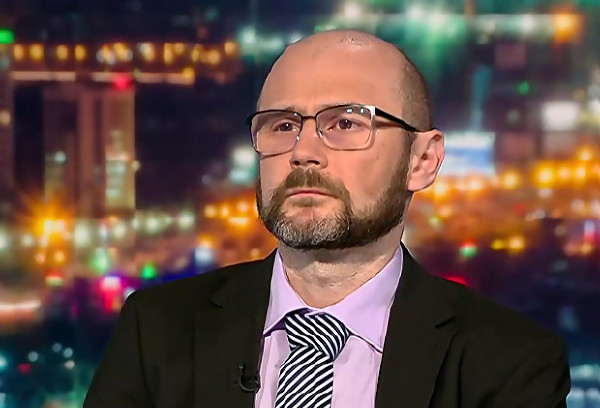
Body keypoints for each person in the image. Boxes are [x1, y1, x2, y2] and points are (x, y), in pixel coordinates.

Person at [84, 30, 571, 408]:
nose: (304, 151)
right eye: (283, 125)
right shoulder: (156, 330)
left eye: (345, 123)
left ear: (422, 160)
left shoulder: (509, 364)